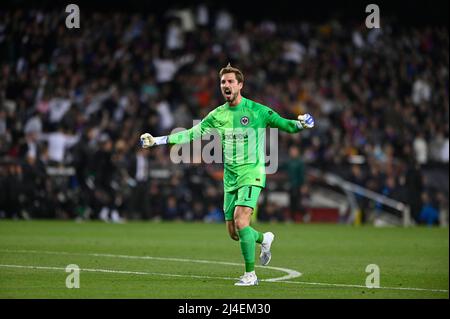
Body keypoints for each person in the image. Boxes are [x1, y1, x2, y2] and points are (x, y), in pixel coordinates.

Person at [139, 63, 314, 286]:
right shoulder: (217, 115)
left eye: (231, 81)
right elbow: (192, 134)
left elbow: (285, 125)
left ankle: (250, 275)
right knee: (234, 232)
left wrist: (301, 124)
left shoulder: (257, 111)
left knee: (242, 221)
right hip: (230, 178)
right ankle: (264, 238)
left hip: (252, 172)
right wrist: (158, 140)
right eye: (223, 82)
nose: (226, 85)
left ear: (240, 85)